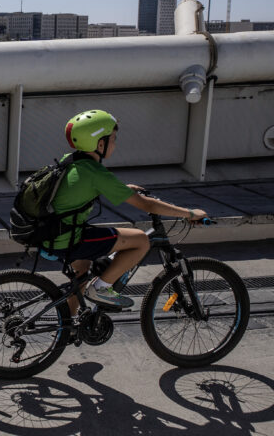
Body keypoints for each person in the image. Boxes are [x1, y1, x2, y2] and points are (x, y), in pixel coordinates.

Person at [46, 109, 207, 311]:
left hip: (50, 234)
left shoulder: (71, 160)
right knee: (140, 240)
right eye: (113, 139)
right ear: (100, 144)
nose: (115, 143)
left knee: (83, 270)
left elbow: (78, 190)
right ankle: (101, 289)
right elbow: (147, 205)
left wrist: (123, 190)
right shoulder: (96, 173)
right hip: (66, 238)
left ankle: (66, 328)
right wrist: (190, 213)